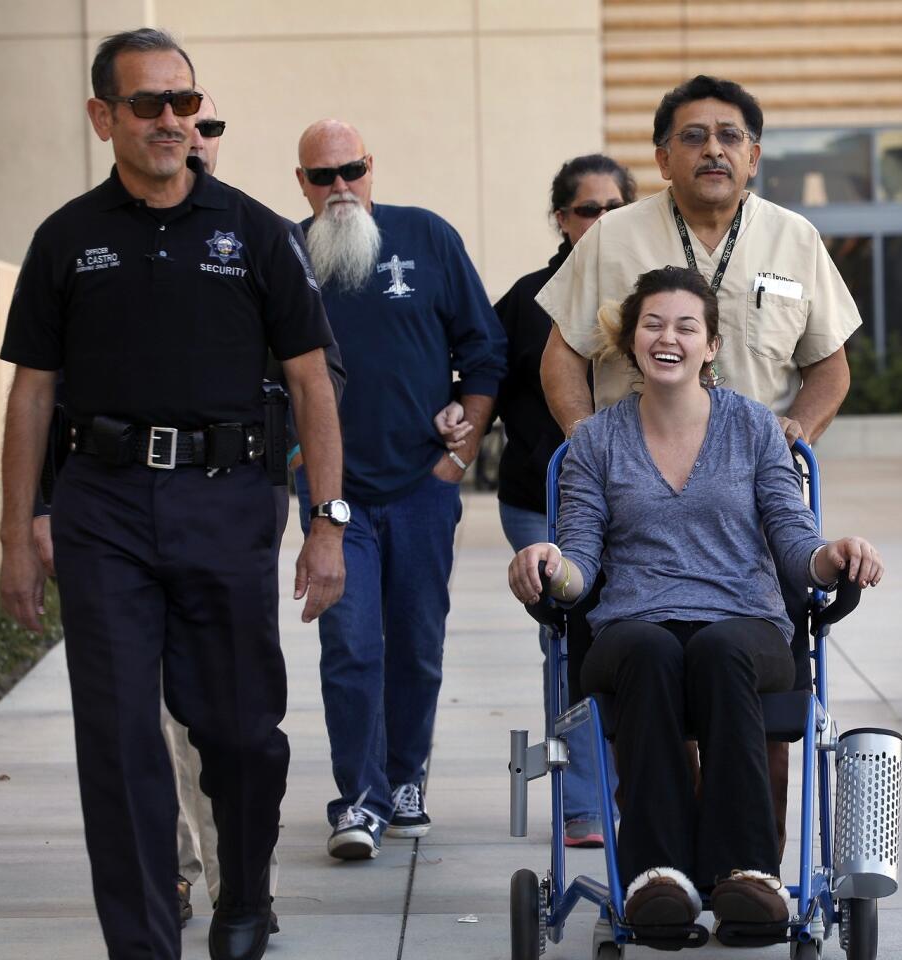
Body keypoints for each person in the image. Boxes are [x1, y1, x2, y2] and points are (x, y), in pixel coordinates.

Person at [0, 27, 344, 960]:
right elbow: (32, 392)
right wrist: (15, 527)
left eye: (184, 103)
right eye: (148, 105)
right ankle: (143, 943)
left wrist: (327, 523)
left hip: (228, 501)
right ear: (102, 115)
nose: (170, 121)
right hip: (102, 504)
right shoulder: (67, 238)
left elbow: (312, 383)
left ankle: (244, 893)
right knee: (116, 741)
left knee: (237, 732)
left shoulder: (257, 232)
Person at [536, 75, 862, 851]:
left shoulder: (794, 239)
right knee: (650, 667)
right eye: (692, 135)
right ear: (661, 156)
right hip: (634, 501)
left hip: (753, 500)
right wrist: (592, 445)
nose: (712, 149)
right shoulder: (613, 237)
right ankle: (664, 870)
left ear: (754, 155)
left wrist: (790, 433)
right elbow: (560, 358)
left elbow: (831, 368)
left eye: (729, 136)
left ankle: (746, 873)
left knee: (746, 681)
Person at [508, 267, 881, 929]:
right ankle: (658, 877)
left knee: (721, 647)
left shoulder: (757, 430)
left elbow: (795, 542)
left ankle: (745, 874)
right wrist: (548, 565)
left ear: (711, 345)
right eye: (653, 323)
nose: (668, 337)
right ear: (632, 342)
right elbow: (581, 561)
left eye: (686, 326)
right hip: (633, 626)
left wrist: (833, 557)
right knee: (650, 650)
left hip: (746, 623)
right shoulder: (596, 441)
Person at [292, 119, 507, 861]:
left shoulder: (428, 236)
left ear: (371, 167)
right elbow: (263, 377)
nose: (339, 188)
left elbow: (485, 350)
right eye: (322, 177)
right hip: (335, 496)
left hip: (422, 483)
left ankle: (405, 777)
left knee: (415, 644)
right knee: (350, 645)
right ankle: (358, 798)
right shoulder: (288, 254)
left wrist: (462, 450)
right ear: (303, 185)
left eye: (349, 169)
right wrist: (300, 467)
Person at [487, 154, 635, 848]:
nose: (602, 222)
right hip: (541, 504)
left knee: (636, 639)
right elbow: (481, 375)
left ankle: (640, 790)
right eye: (587, 210)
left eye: (614, 209)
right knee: (572, 644)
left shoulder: (652, 302)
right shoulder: (527, 299)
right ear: (562, 219)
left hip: (636, 508)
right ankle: (582, 805)